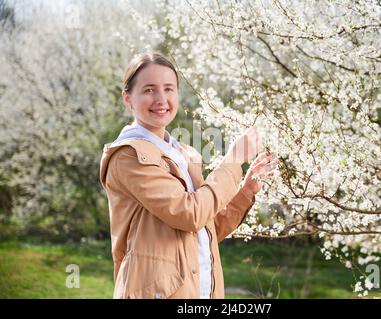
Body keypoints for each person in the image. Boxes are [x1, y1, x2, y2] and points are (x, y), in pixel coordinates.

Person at [99, 52, 276, 299]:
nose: (161, 99)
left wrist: (245, 192)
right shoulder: (129, 156)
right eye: (149, 90)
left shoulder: (183, 154)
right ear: (128, 98)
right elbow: (189, 214)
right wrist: (233, 160)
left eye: (169, 89)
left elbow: (206, 228)